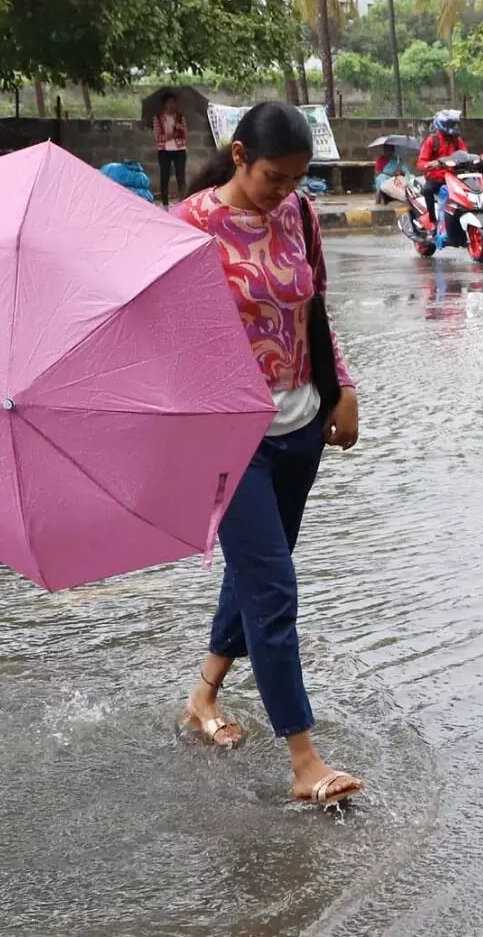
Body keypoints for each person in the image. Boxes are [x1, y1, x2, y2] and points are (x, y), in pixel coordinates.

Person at [173, 101, 365, 806]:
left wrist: (340, 385)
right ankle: (305, 761)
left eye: (294, 180)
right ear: (239, 156)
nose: (283, 192)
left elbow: (314, 309)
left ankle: (203, 697)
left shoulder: (301, 215)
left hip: (299, 426)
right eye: (272, 179)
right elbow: (163, 335)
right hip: (226, 436)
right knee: (275, 591)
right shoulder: (189, 226)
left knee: (259, 573)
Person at [416, 110, 468, 227]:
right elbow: (420, 162)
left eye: (454, 124)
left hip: (454, 178)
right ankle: (432, 221)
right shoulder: (432, 140)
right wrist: (430, 164)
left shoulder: (457, 140)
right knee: (427, 190)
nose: (454, 127)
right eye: (451, 124)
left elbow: (465, 154)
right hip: (437, 179)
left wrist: (478, 158)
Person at [154, 94, 189, 206]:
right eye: (169, 102)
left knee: (181, 176)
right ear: (164, 104)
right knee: (165, 176)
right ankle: (165, 204)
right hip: (164, 150)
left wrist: (181, 128)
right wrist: (170, 136)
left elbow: (185, 135)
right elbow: (157, 136)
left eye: (173, 102)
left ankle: (183, 202)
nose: (171, 105)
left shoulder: (180, 117)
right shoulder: (158, 118)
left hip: (179, 150)